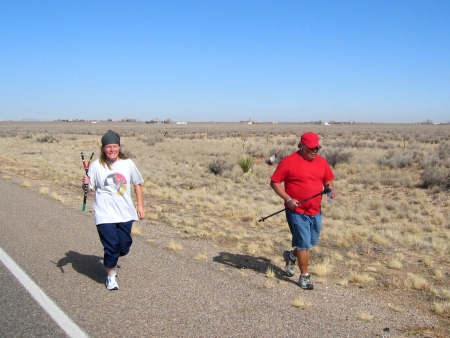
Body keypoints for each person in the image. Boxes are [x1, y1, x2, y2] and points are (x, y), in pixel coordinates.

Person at [270, 132, 336, 290]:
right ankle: (304, 277)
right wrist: (288, 199)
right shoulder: (288, 162)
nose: (315, 151)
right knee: (304, 244)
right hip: (296, 211)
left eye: (317, 148)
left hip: (315, 211)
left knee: (308, 243)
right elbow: (275, 182)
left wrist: (330, 188)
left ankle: (291, 256)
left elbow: (328, 180)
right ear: (301, 146)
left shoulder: (321, 162)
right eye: (311, 148)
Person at [82, 130, 145, 290]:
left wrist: (140, 205)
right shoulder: (96, 165)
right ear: (103, 148)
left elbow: (137, 183)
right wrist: (84, 183)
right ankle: (110, 275)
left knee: (123, 247)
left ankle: (113, 261)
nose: (112, 150)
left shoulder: (128, 163)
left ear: (119, 147)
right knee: (111, 246)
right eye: (108, 146)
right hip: (104, 213)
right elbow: (88, 189)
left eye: (115, 146)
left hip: (125, 212)